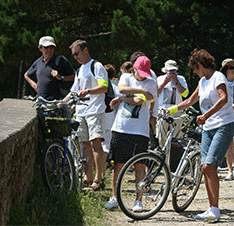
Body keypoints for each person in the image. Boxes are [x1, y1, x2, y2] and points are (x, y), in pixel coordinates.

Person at [167, 49, 234, 222]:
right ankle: (212, 208)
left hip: (222, 125)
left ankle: (215, 209)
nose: (195, 72)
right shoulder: (202, 81)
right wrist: (171, 110)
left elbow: (224, 99)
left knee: (208, 165)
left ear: (200, 65)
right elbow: (190, 101)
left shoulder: (218, 77)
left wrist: (206, 115)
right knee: (205, 166)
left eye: (195, 69)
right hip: (208, 128)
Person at [104, 56, 157, 210]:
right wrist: (137, 91)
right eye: (140, 72)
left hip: (140, 129)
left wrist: (122, 98)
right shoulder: (126, 77)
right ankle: (114, 197)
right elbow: (121, 89)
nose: (142, 76)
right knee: (118, 163)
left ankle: (138, 200)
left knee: (140, 165)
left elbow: (138, 101)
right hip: (121, 127)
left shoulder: (152, 82)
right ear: (134, 69)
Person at [67, 39, 108, 191]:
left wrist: (89, 91)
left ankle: (98, 180)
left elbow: (104, 86)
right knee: (85, 145)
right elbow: (73, 91)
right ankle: (87, 177)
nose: (75, 57)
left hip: (95, 110)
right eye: (73, 55)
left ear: (85, 50)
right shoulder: (79, 70)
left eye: (77, 53)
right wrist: (62, 102)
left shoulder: (96, 66)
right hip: (81, 111)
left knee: (95, 144)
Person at [24, 36, 75, 100]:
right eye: (46, 47)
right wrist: (35, 86)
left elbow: (74, 77)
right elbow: (26, 75)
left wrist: (61, 77)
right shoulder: (38, 62)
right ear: (40, 48)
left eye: (52, 47)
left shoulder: (61, 60)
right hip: (41, 102)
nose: (49, 50)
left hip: (57, 102)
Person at [156, 59, 189, 148]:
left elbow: (185, 94)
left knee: (175, 140)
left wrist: (176, 81)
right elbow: (155, 93)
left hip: (177, 112)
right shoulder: (159, 79)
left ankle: (172, 159)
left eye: (173, 71)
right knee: (161, 138)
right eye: (170, 71)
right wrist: (164, 83)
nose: (171, 73)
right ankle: (163, 157)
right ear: (165, 70)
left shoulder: (181, 79)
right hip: (163, 112)